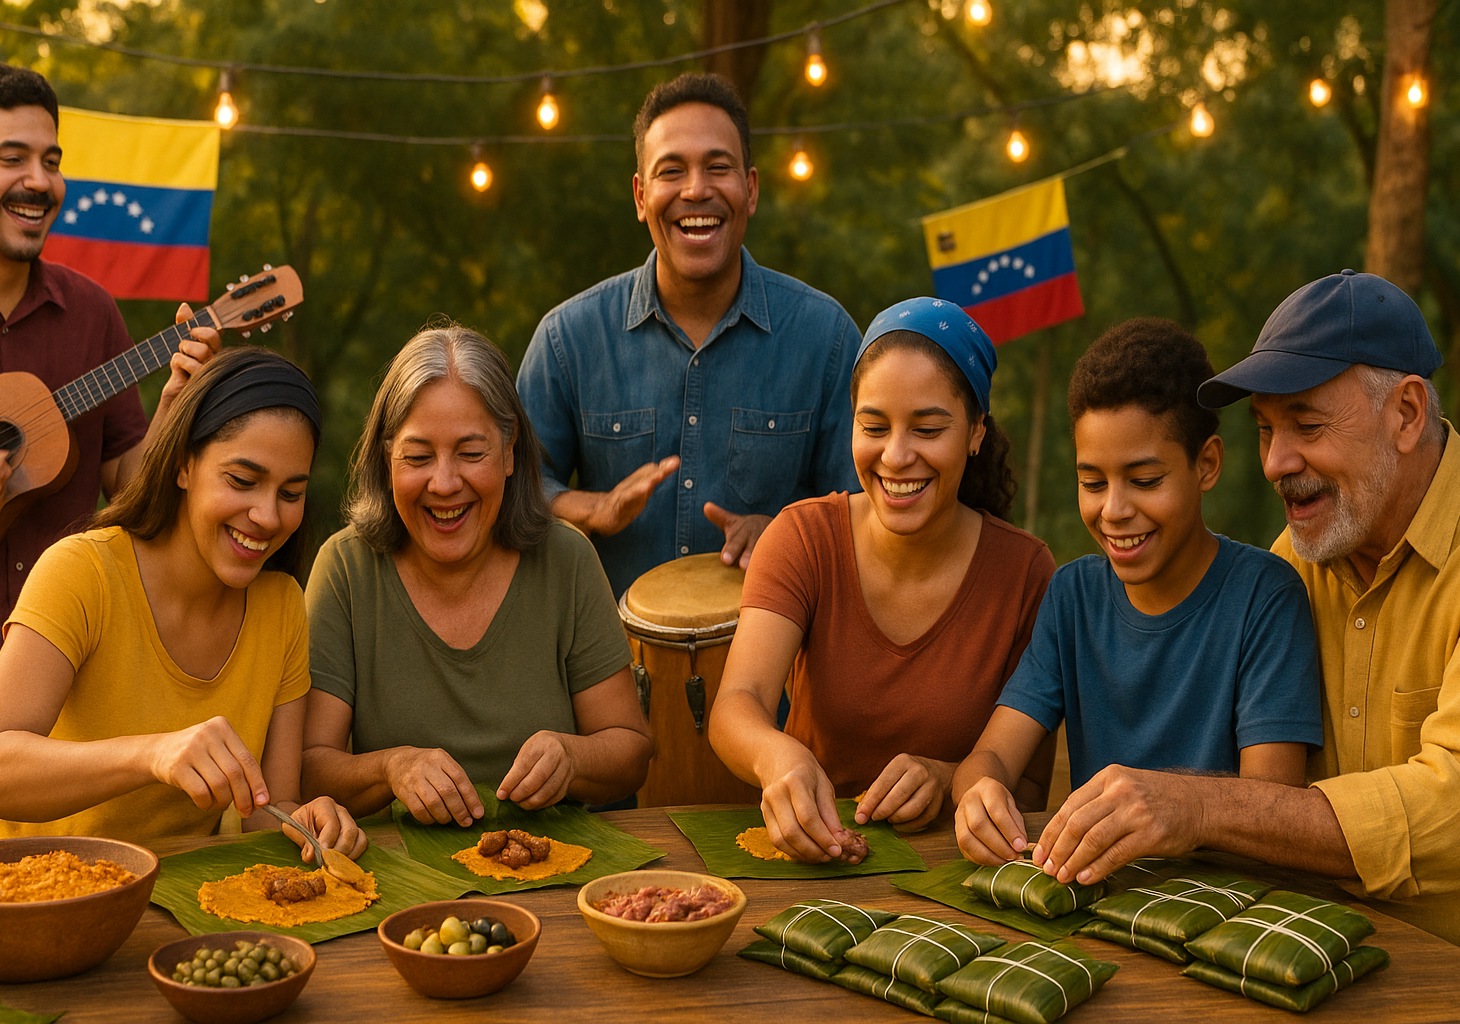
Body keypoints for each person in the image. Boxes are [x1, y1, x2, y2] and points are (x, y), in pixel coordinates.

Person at [1026, 270, 1460, 965]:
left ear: (1405, 414)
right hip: (1299, 958)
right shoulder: (1293, 562)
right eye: (1265, 429)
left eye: (1306, 425)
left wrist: (1196, 807)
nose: (1277, 462)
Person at [0, 347, 364, 861]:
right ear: (183, 466)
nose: (267, 516)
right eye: (242, 481)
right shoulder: (82, 572)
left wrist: (306, 818)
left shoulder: (282, 605)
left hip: (181, 908)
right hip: (42, 901)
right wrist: (151, 754)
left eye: (291, 493)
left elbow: (266, 809)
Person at [953, 318, 1323, 866]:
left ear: (1207, 464)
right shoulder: (1072, 595)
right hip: (1093, 901)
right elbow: (988, 759)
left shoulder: (1265, 597)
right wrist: (978, 795)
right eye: (1092, 483)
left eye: (1145, 481)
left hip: (1227, 910)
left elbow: (1272, 810)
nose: (1115, 511)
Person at [0, 64, 218, 844]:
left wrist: (177, 407)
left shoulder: (93, 316)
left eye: (52, 160)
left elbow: (133, 489)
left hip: (67, 695)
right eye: (13, 157)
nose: (38, 180)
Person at [707, 297, 1055, 863]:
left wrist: (947, 780)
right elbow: (736, 704)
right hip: (809, 870)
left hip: (953, 884)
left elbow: (1033, 790)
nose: (896, 456)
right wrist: (778, 757)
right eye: (874, 426)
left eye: (927, 428)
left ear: (975, 433)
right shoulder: (802, 539)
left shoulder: (1027, 574)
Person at [516, 72, 861, 597]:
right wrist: (596, 508)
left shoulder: (827, 338)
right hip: (608, 672)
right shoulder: (567, 340)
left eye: (717, 168)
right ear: (640, 195)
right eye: (671, 171)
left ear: (750, 190)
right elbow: (512, 487)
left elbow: (864, 509)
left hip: (780, 672)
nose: (696, 190)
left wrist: (786, 534)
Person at [301, 323, 653, 827]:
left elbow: (631, 753)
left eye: (471, 454)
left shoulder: (566, 558)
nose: (444, 484)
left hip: (553, 874)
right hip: (397, 882)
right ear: (387, 458)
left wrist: (572, 759)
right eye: (418, 457)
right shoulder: (345, 569)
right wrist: (390, 769)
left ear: (510, 453)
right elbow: (308, 768)